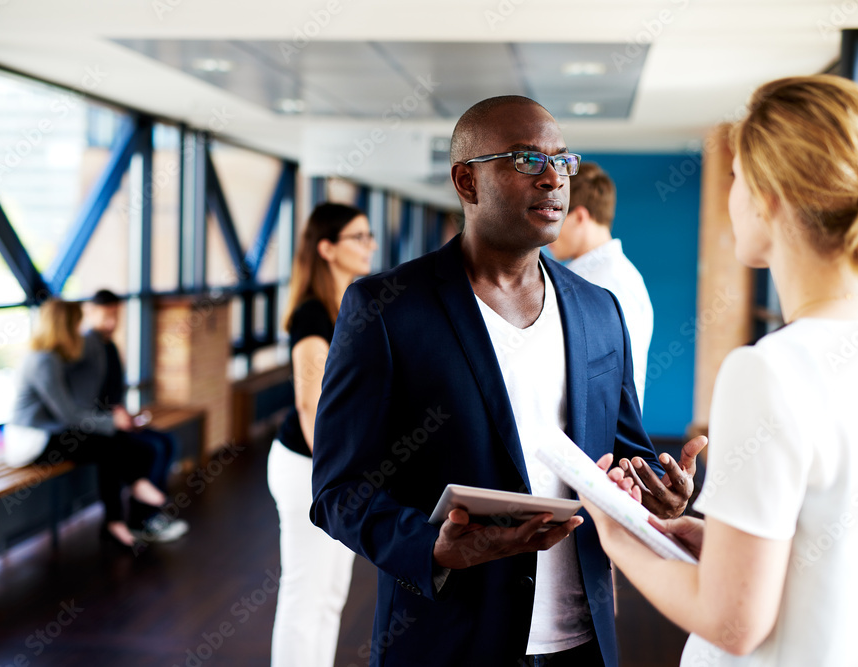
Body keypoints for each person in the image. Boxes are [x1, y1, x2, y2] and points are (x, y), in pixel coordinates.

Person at [310, 95, 706, 666]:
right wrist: (433, 547)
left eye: (561, 160)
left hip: (583, 639)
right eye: (525, 160)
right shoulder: (387, 309)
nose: (552, 178)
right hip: (449, 641)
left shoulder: (600, 312)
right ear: (467, 182)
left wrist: (657, 494)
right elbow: (338, 491)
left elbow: (624, 453)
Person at [582, 75, 858, 666]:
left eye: (737, 177)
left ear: (767, 196)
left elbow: (733, 623)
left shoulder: (770, 370)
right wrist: (721, 544)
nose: (733, 195)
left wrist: (617, 536)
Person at [267, 203, 377, 667]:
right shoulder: (312, 314)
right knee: (304, 595)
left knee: (330, 595)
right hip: (308, 467)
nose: (370, 244)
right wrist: (337, 476)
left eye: (369, 235)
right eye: (358, 236)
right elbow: (309, 403)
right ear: (327, 249)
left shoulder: (344, 304)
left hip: (329, 466)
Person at [5, 299, 172, 548]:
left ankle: (116, 520)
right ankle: (129, 495)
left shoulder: (53, 357)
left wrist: (109, 420)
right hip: (31, 441)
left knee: (110, 446)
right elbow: (69, 415)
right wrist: (110, 421)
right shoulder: (43, 361)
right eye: (75, 324)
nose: (79, 331)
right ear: (64, 326)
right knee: (107, 445)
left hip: (48, 434)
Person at [67, 289, 187, 542]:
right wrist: (112, 418)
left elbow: (112, 393)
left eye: (115, 314)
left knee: (166, 441)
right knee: (150, 448)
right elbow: (80, 401)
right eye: (106, 314)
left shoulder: (109, 346)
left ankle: (148, 515)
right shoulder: (87, 346)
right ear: (91, 312)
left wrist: (123, 414)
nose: (112, 321)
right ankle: (142, 520)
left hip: (113, 421)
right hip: (97, 428)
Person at [547, 163, 653, 409]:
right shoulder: (616, 275)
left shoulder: (602, 283)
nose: (549, 228)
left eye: (556, 213)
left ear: (580, 217)